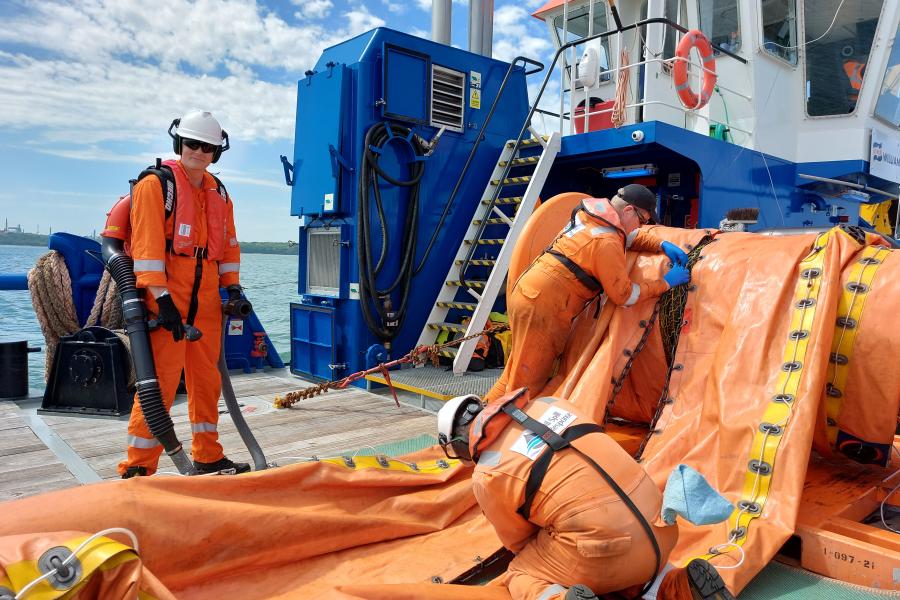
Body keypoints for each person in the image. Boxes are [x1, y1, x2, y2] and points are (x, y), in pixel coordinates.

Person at [437, 388, 734, 600]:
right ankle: (677, 585)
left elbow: (519, 540)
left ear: (458, 445)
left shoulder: (487, 472)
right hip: (662, 528)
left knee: (521, 572)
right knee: (624, 542)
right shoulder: (551, 403)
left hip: (607, 550)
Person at [114, 110, 249, 478]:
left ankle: (207, 455)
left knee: (207, 381)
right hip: (166, 300)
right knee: (159, 384)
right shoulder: (155, 186)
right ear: (179, 143)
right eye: (193, 144)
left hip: (205, 301)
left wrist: (232, 287)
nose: (200, 152)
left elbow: (229, 248)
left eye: (208, 147)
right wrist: (162, 300)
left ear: (217, 152)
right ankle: (139, 468)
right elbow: (147, 249)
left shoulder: (219, 193)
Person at [484, 184, 691, 403]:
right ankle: (500, 430)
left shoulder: (591, 216)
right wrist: (665, 283)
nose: (640, 226)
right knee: (526, 383)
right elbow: (624, 295)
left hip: (530, 292)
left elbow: (626, 238)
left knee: (516, 369)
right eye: (642, 220)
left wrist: (660, 243)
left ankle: (475, 419)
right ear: (629, 210)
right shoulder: (606, 241)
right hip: (546, 306)